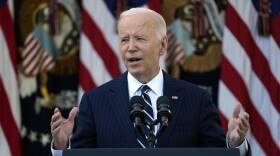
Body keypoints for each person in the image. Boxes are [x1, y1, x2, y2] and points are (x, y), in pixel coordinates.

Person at [50, 8, 250, 156]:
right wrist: (61, 148)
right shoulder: (95, 102)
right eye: (124, 39)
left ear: (162, 45)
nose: (131, 47)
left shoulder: (196, 100)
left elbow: (216, 154)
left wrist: (234, 145)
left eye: (139, 38)